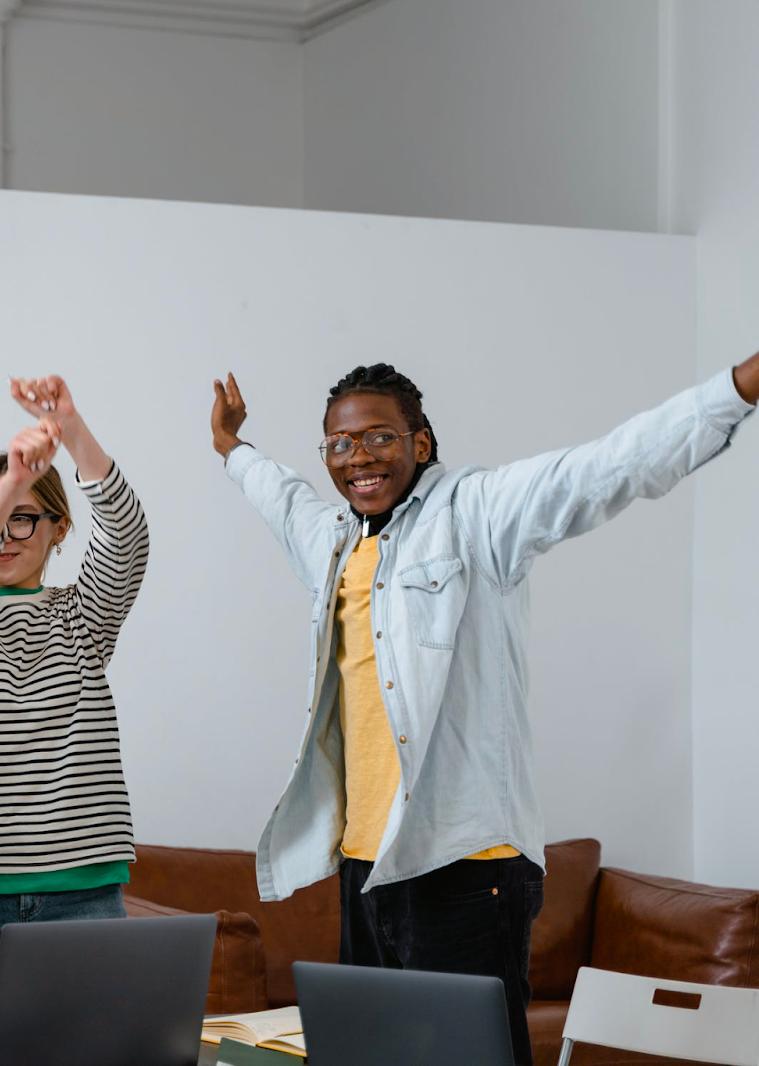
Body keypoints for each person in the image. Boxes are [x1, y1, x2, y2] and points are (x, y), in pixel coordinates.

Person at [207, 354, 759, 1064]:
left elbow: (606, 467)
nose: (358, 458)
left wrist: (737, 389)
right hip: (367, 867)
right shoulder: (338, 544)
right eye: (339, 445)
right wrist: (233, 448)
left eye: (378, 436)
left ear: (420, 444)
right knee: (371, 1058)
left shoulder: (476, 515)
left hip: (465, 868)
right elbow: (281, 497)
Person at [0, 375, 149, 1021]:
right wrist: (13, 480)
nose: (5, 537)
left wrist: (71, 431)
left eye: (24, 515)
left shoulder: (83, 618)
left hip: (83, 900)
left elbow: (128, 542)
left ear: (59, 527)